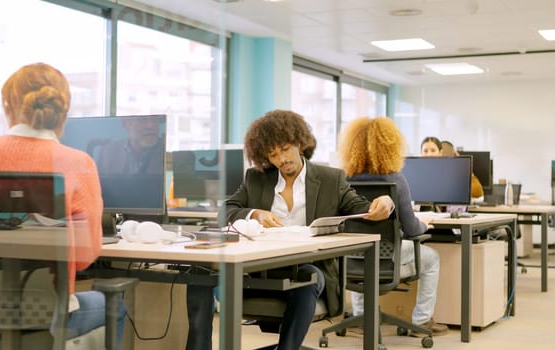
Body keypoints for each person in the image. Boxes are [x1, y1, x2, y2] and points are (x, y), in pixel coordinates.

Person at [185, 109, 395, 350]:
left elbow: (361, 208)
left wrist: (385, 204)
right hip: (259, 268)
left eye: (285, 149)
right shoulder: (257, 178)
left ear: (298, 142)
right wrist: (255, 213)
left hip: (307, 266)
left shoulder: (330, 179)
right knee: (198, 270)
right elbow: (226, 211)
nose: (281, 159)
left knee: (308, 278)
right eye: (273, 155)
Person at [0, 63, 126, 346]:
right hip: (52, 312)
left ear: (8, 107)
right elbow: (84, 256)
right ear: (62, 112)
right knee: (117, 305)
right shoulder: (78, 163)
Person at [338, 117, 448, 336]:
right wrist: (424, 224)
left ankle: (362, 318)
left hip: (351, 258)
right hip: (389, 257)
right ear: (391, 146)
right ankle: (422, 321)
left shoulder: (343, 179)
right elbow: (411, 229)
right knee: (432, 257)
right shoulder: (395, 180)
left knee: (363, 250)